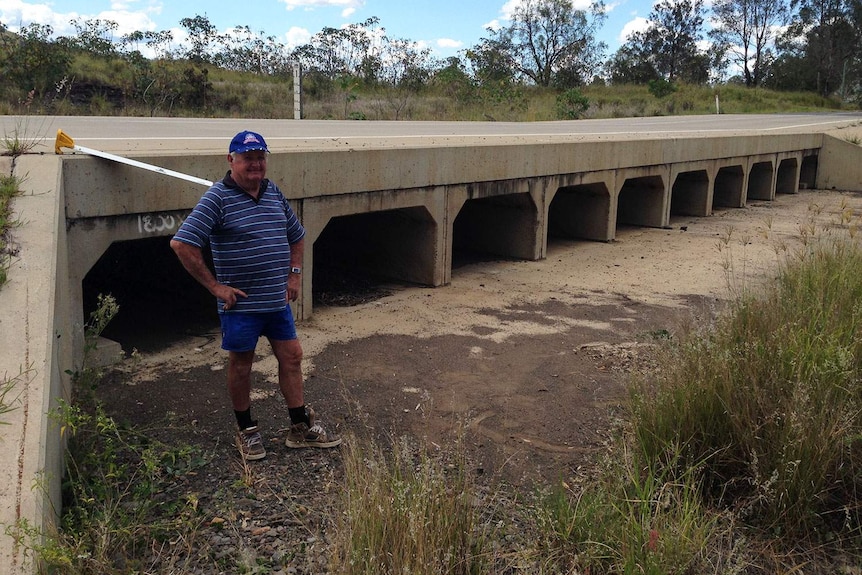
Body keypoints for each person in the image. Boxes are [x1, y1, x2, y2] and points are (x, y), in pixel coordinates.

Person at [170, 130, 341, 461]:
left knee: (291, 357)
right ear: (230, 159)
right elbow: (182, 243)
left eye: (261, 157)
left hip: (276, 302)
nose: (256, 164)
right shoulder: (217, 198)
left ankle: (299, 428)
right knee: (242, 366)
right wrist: (215, 287)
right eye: (248, 158)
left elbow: (297, 236)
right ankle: (247, 431)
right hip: (241, 306)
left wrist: (294, 275)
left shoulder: (273, 191)